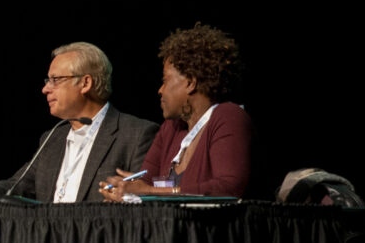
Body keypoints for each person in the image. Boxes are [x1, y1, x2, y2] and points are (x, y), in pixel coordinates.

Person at [0, 42, 158, 204]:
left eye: (55, 79)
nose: (45, 89)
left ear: (85, 83)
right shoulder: (53, 137)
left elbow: (141, 200)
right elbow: (18, 185)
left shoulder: (136, 134)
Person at [99, 23, 252, 200]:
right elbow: (144, 184)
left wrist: (150, 192)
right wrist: (123, 190)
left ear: (190, 83)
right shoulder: (170, 129)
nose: (160, 90)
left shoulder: (229, 116)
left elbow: (228, 187)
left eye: (166, 80)